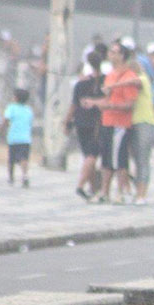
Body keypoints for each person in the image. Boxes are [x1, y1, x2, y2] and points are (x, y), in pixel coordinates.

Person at [83, 41, 138, 204]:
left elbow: (130, 104)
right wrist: (94, 102)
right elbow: (107, 98)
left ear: (122, 56)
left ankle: (121, 192)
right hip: (107, 122)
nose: (110, 55)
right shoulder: (111, 75)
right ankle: (104, 192)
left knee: (119, 161)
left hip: (120, 125)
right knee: (106, 160)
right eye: (111, 52)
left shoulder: (129, 77)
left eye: (115, 52)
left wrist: (110, 106)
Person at [104, 60, 154, 205]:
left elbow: (132, 82)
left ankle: (142, 194)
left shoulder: (143, 79)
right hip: (130, 123)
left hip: (145, 123)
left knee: (142, 160)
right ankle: (130, 189)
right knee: (128, 160)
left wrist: (113, 85)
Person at [64, 50, 105, 200]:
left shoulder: (80, 84)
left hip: (80, 122)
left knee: (87, 155)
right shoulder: (105, 81)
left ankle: (93, 189)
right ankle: (81, 185)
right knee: (91, 156)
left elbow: (73, 106)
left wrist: (67, 122)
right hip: (96, 124)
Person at [1, 88, 33, 187]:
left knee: (11, 159)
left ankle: (11, 177)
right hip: (25, 139)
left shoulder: (11, 108)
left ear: (16, 98)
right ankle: (25, 176)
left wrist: (2, 129)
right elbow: (30, 122)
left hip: (13, 138)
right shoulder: (28, 110)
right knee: (24, 158)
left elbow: (6, 120)